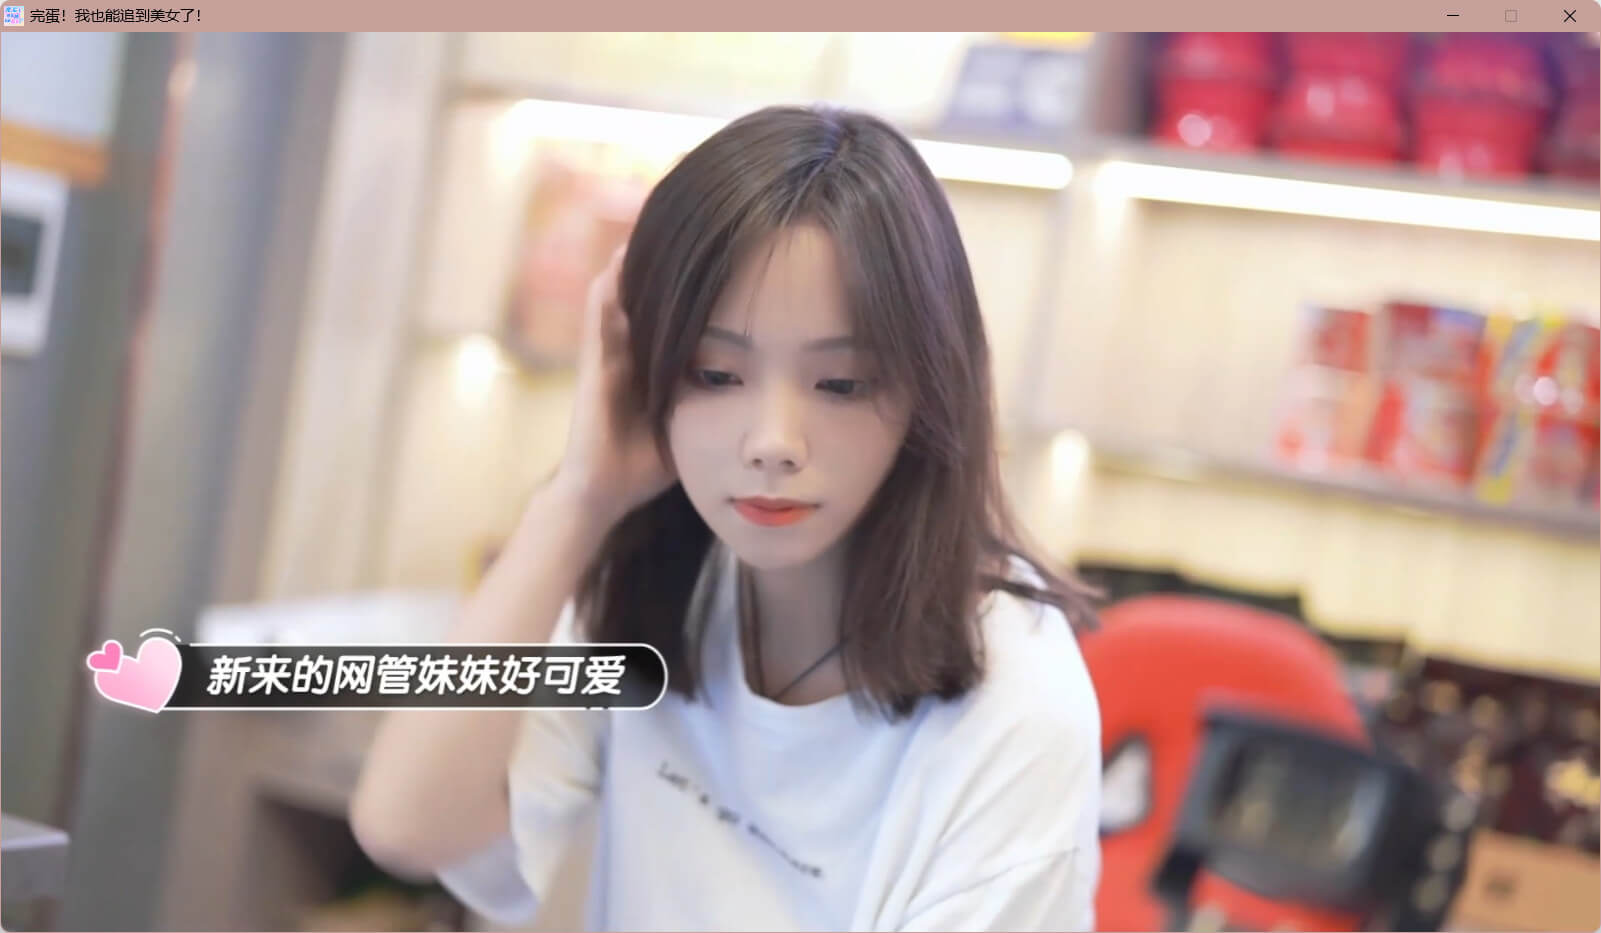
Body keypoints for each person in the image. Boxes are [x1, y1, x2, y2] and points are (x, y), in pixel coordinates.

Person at [349, 104, 1103, 932]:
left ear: (928, 388)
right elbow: (407, 823)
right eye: (714, 373)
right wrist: (578, 499)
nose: (773, 441)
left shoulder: (1016, 706)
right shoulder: (660, 566)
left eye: (840, 384)